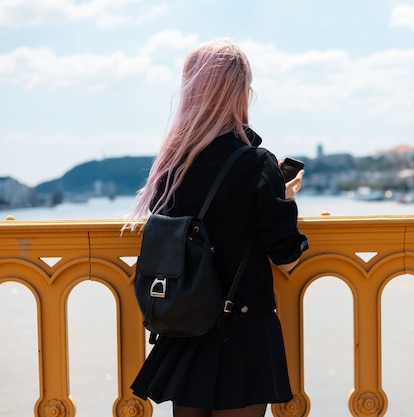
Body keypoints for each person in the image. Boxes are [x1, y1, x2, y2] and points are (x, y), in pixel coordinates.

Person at [126, 39, 309, 417]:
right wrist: (284, 198)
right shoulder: (257, 164)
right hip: (241, 330)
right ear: (241, 93)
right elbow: (287, 259)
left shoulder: (171, 168)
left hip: (184, 326)